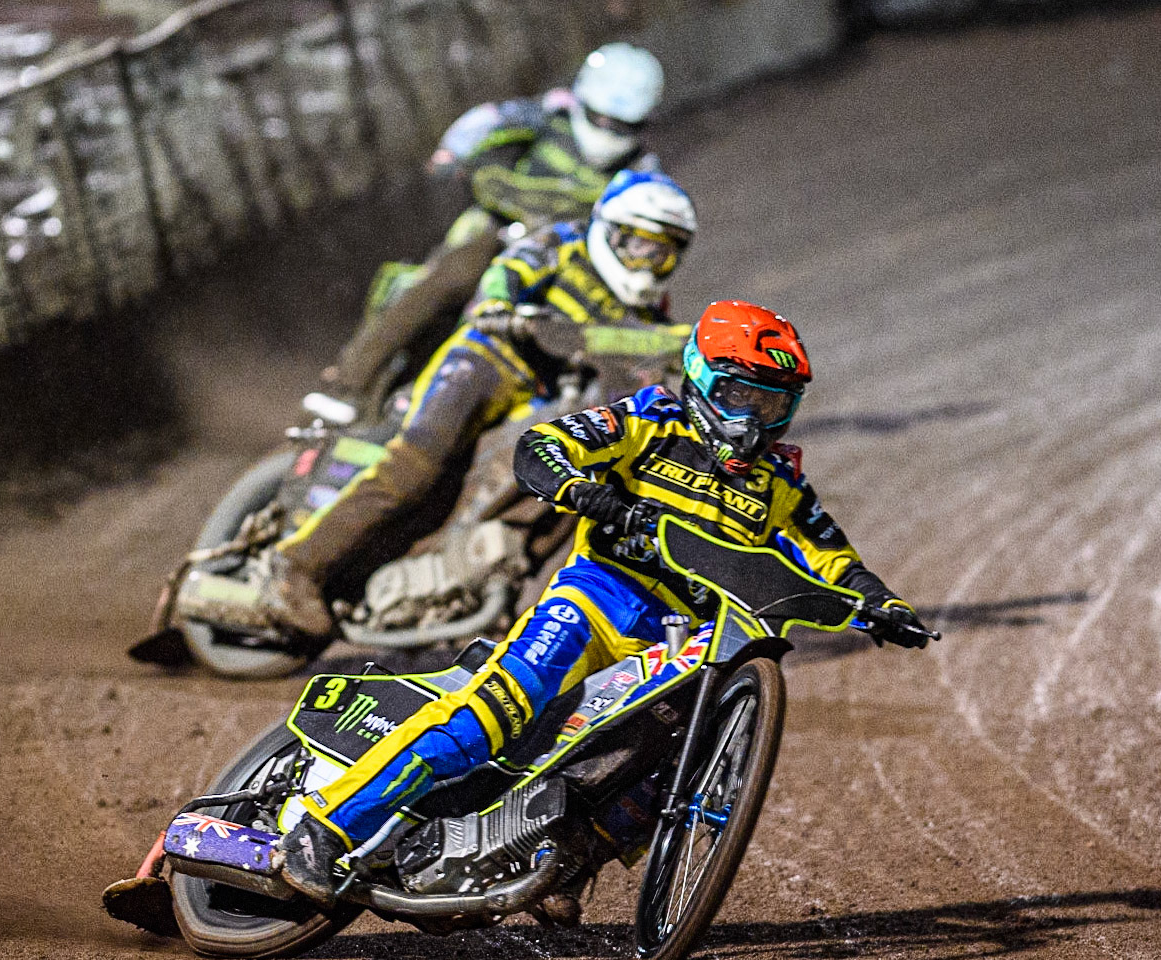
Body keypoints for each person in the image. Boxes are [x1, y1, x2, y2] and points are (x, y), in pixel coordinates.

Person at [279, 299, 932, 909]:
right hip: (594, 602)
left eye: (770, 405)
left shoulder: (783, 480)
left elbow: (833, 557)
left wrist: (881, 604)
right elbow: (543, 448)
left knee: (682, 758)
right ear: (702, 378)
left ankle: (561, 858)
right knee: (493, 715)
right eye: (738, 396)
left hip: (679, 643)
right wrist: (589, 493)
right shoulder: (648, 417)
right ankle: (326, 828)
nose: (748, 420)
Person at [220, 170, 699, 641]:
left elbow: (641, 364)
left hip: (538, 400)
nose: (651, 264)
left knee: (548, 485)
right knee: (419, 464)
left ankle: (471, 585)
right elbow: (509, 270)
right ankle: (294, 566)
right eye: (643, 245)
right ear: (610, 231)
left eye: (667, 254)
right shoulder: (563, 241)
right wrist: (497, 303)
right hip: (486, 358)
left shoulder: (646, 317)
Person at [323, 42, 668, 401]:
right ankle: (350, 378)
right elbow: (483, 126)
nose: (609, 132)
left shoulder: (644, 171)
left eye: (622, 126)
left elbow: (657, 222)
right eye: (601, 118)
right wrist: (452, 153)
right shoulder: (542, 116)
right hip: (500, 226)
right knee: (454, 273)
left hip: (566, 255)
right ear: (583, 99)